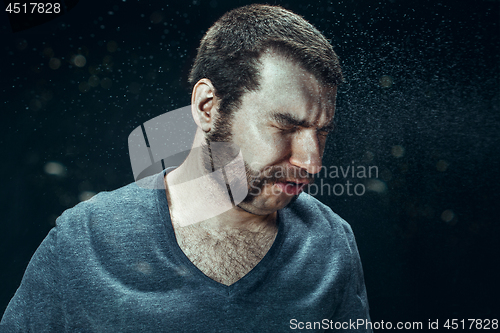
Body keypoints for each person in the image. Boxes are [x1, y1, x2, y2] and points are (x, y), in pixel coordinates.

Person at [1, 4, 372, 332]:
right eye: (286, 127)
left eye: (320, 133)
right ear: (207, 106)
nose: (311, 162)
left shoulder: (331, 245)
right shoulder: (85, 239)